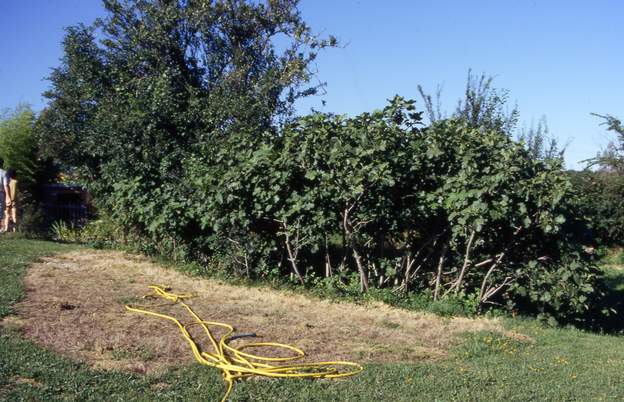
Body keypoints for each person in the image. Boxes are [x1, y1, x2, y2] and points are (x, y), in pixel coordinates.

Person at [0, 159, 6, 232]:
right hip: (1, 192)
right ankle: (1, 228)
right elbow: (5, 185)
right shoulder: (4, 173)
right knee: (1, 209)